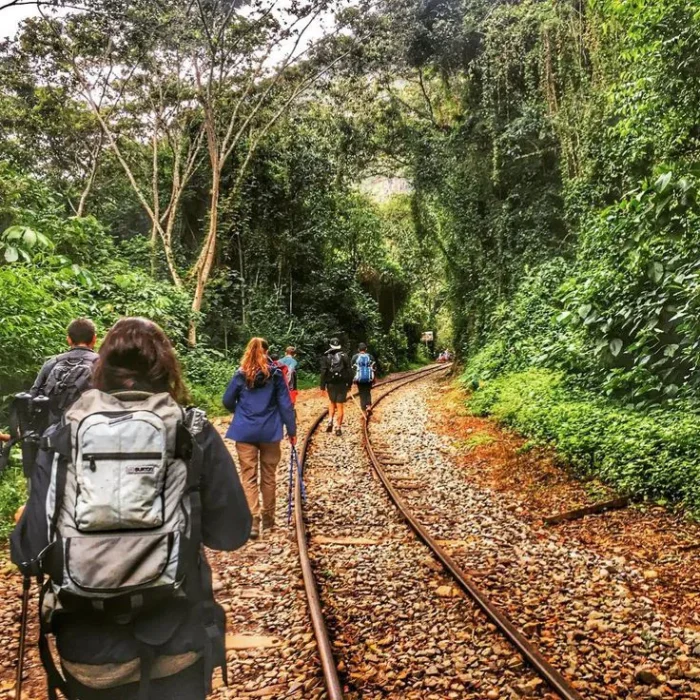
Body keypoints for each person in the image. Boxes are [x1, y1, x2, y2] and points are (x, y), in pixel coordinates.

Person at [11, 317, 252, 700]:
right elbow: (232, 532)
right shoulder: (191, 431)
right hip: (177, 647)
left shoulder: (64, 436)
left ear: (100, 367)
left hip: (90, 655)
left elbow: (28, 554)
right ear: (167, 368)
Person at [223, 337, 297, 539]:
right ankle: (269, 521)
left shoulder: (241, 374)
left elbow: (227, 400)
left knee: (249, 477)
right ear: (266, 351)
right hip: (269, 433)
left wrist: (240, 412)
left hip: (245, 432)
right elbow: (285, 405)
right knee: (269, 476)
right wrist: (292, 431)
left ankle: (253, 521)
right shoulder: (275, 375)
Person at [30, 317, 99, 421]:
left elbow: (32, 397)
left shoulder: (51, 363)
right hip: (92, 429)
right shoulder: (103, 365)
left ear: (69, 339)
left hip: (53, 431)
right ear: (94, 339)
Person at [320, 337, 352, 436]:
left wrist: (322, 386)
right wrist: (349, 384)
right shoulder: (344, 356)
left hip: (330, 384)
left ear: (330, 345)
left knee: (331, 402)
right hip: (342, 384)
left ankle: (330, 420)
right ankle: (338, 427)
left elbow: (323, 371)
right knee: (340, 405)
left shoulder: (326, 356)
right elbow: (349, 371)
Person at [351, 343, 376, 415]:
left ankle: (364, 411)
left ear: (358, 349)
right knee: (368, 392)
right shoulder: (370, 356)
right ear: (366, 349)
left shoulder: (355, 357)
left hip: (359, 378)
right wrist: (374, 378)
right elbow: (374, 368)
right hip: (368, 378)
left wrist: (354, 379)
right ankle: (368, 406)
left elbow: (352, 369)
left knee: (362, 393)